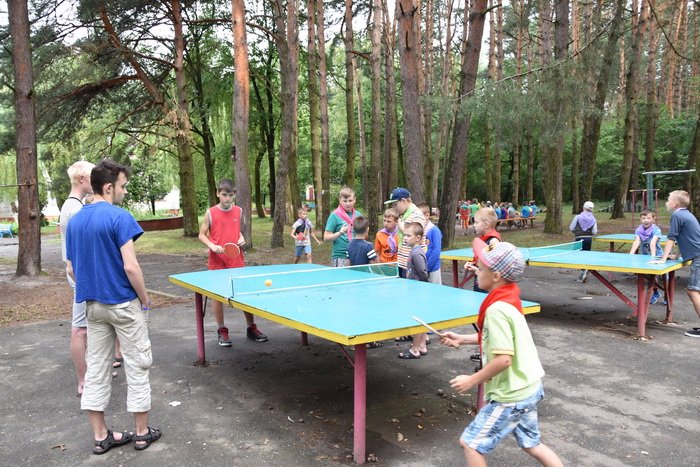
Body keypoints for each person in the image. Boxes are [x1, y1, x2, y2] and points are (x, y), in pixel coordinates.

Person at [65, 159, 161, 453]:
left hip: (93, 307)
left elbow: (71, 269)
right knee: (138, 364)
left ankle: (101, 436)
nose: (125, 192)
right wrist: (144, 298)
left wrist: (93, 285)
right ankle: (142, 433)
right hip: (123, 304)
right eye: (123, 186)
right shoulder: (120, 217)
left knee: (96, 369)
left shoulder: (75, 221)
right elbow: (131, 267)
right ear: (108, 187)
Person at [440, 241, 563, 467]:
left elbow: (504, 359)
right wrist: (462, 339)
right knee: (532, 444)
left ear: (496, 276)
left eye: (481, 268)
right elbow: (500, 340)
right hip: (529, 387)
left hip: (512, 395)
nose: (476, 271)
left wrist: (472, 380)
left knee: (471, 444)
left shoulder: (496, 310)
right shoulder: (509, 298)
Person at [199, 179, 268, 346]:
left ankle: (251, 328)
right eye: (224, 195)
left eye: (230, 195)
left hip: (236, 260)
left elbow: (237, 232)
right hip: (217, 261)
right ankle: (222, 330)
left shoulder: (239, 211)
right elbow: (201, 234)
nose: (227, 198)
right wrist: (212, 245)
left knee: (243, 294)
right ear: (218, 193)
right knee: (218, 297)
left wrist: (241, 238)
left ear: (234, 195)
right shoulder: (210, 213)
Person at [59, 160, 94, 397]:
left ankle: (89, 374)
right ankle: (83, 381)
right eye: (92, 177)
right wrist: (84, 280)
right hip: (80, 277)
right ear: (81, 179)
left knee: (86, 328)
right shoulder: (75, 209)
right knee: (80, 329)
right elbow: (76, 255)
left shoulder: (73, 206)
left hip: (80, 275)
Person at [650, 190, 700, 338]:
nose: (666, 202)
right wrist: (676, 256)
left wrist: (663, 259)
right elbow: (682, 237)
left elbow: (671, 238)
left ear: (675, 203)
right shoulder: (687, 214)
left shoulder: (677, 216)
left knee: (693, 291)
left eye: (668, 200)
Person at [397, 223, 430, 359]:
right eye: (404, 235)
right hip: (416, 290)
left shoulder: (416, 253)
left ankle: (415, 349)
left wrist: (423, 285)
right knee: (421, 318)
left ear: (417, 238)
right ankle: (422, 346)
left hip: (418, 291)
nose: (405, 238)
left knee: (417, 320)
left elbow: (422, 271)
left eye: (408, 235)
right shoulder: (414, 251)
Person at [384, 187, 425, 278]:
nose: (394, 208)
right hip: (402, 262)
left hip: (412, 263)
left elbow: (416, 236)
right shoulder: (404, 215)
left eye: (395, 204)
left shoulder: (416, 215)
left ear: (403, 201)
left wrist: (401, 226)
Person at [629, 209, 664, 304]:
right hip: (645, 256)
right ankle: (656, 293)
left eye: (648, 218)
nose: (646, 220)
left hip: (657, 256)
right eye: (644, 218)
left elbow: (653, 243)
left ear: (653, 219)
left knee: (665, 277)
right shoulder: (638, 230)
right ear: (640, 219)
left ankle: (667, 296)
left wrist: (653, 257)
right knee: (651, 277)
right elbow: (637, 241)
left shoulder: (656, 230)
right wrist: (630, 255)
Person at [465, 208, 501, 293]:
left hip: (488, 286)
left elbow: (492, 267)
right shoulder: (483, 239)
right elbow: (483, 257)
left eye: (476, 222)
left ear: (486, 224)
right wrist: (472, 263)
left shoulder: (493, 241)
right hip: (480, 280)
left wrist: (476, 270)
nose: (474, 225)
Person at [324, 186, 362, 267]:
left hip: (356, 255)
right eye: (345, 201)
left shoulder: (358, 215)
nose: (348, 204)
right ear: (340, 200)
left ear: (355, 199)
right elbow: (326, 237)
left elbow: (362, 235)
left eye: (350, 200)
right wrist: (339, 233)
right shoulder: (334, 215)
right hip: (340, 257)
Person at [570, 201, 597, 282]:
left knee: (576, 255)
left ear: (583, 207)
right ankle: (583, 273)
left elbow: (571, 228)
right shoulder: (593, 219)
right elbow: (594, 232)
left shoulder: (578, 217)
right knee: (585, 256)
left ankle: (583, 271)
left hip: (579, 238)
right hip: (588, 239)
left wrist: (576, 232)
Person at [418, 203, 442, 285]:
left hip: (433, 268)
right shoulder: (420, 230)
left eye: (419, 216)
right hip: (422, 268)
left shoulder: (434, 230)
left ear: (427, 215)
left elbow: (436, 250)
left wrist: (427, 267)